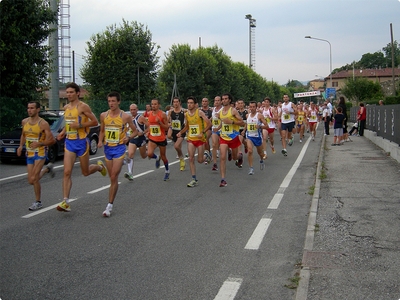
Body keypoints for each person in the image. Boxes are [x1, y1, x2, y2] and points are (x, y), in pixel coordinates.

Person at [56, 82, 107, 212]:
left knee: (85, 172)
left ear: (78, 93)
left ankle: (99, 167)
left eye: (71, 92)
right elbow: (68, 125)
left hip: (81, 142)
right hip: (69, 143)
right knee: (67, 172)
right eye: (67, 92)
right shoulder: (66, 108)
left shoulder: (83, 107)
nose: (69, 95)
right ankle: (65, 201)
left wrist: (79, 126)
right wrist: (62, 133)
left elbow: (95, 122)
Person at [98, 92, 138, 217]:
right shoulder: (104, 115)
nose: (111, 103)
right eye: (109, 101)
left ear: (118, 102)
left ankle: (109, 206)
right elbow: (102, 130)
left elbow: (135, 131)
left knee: (114, 176)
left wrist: (129, 137)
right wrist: (100, 140)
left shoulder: (125, 116)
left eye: (113, 101)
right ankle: (106, 167)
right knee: (111, 177)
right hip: (108, 148)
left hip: (119, 148)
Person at [17, 101, 56, 211]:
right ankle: (47, 169)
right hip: (29, 153)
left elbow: (52, 140)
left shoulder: (43, 124)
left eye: (32, 108)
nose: (29, 110)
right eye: (28, 108)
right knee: (31, 180)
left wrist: (40, 143)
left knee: (34, 178)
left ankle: (38, 202)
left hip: (40, 153)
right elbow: (23, 134)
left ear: (38, 109)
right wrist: (20, 146)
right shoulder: (25, 122)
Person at [177, 96, 212, 187]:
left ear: (195, 104)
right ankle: (193, 179)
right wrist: (180, 132)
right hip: (191, 139)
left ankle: (206, 155)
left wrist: (203, 132)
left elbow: (209, 123)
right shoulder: (186, 114)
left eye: (191, 103)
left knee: (200, 160)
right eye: (188, 103)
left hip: (200, 139)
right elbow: (187, 126)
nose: (189, 104)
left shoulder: (199, 113)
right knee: (191, 158)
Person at [217, 93, 245, 187]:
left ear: (229, 100)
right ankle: (223, 179)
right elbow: (223, 123)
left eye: (226, 99)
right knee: (222, 157)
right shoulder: (221, 112)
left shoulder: (233, 111)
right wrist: (218, 128)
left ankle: (239, 156)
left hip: (233, 137)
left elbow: (242, 123)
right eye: (223, 99)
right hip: (223, 137)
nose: (224, 100)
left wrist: (232, 122)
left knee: (234, 158)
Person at [144, 98, 170, 181]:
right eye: (152, 104)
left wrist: (160, 123)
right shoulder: (149, 114)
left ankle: (167, 171)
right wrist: (148, 131)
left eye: (155, 104)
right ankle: (156, 158)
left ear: (159, 105)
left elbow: (166, 128)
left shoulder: (162, 114)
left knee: (164, 157)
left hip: (161, 138)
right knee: (149, 153)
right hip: (152, 138)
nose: (153, 106)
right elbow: (149, 125)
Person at [242, 101, 269, 175]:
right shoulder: (247, 115)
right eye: (250, 107)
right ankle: (251, 168)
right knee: (250, 151)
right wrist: (244, 131)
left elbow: (267, 126)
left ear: (256, 107)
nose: (252, 108)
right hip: (249, 136)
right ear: (249, 107)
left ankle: (261, 160)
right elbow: (247, 124)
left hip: (257, 137)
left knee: (260, 153)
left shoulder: (259, 115)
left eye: (253, 107)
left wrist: (260, 126)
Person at [124, 104, 148, 181]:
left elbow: (149, 126)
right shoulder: (129, 118)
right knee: (130, 154)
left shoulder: (141, 118)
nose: (132, 111)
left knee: (144, 156)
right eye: (131, 110)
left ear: (137, 110)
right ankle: (130, 173)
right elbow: (126, 128)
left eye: (134, 109)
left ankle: (152, 154)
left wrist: (143, 132)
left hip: (141, 139)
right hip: (133, 138)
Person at [167, 97, 186, 171]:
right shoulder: (170, 112)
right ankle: (178, 144)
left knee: (176, 146)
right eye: (174, 102)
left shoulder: (184, 111)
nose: (175, 103)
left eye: (177, 102)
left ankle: (182, 159)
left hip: (181, 130)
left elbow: (187, 122)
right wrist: (168, 123)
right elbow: (167, 120)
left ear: (179, 102)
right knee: (169, 136)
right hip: (174, 129)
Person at [211, 95, 223, 171]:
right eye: (215, 100)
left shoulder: (223, 109)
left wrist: (220, 117)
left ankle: (229, 151)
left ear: (221, 101)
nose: (217, 102)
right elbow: (212, 118)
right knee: (214, 144)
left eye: (218, 100)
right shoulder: (213, 109)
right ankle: (215, 163)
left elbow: (224, 120)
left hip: (223, 130)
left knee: (222, 147)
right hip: (214, 129)